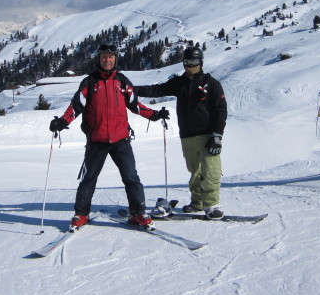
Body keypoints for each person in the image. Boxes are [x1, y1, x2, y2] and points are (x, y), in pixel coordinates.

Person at [49, 43, 168, 230]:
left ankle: (137, 214)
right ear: (99, 59)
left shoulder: (122, 82)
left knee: (131, 177)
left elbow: (135, 105)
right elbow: (76, 105)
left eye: (111, 57)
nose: (107, 60)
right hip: (96, 139)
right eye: (104, 56)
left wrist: (154, 115)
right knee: (89, 178)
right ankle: (81, 214)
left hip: (120, 139)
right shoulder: (89, 82)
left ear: (115, 59)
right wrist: (62, 122)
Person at [135, 46, 227, 219]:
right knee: (195, 172)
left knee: (211, 170)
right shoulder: (180, 83)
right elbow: (156, 90)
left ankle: (212, 204)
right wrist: (133, 89)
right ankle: (197, 202)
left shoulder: (212, 84)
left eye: (193, 62)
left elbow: (221, 110)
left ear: (201, 62)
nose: (190, 66)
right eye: (187, 62)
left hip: (208, 135)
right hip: (187, 136)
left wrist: (217, 135)